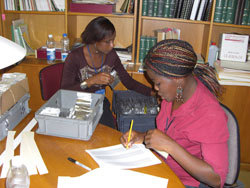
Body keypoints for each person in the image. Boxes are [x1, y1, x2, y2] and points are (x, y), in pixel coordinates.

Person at [120, 39, 229, 188]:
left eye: (158, 83)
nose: (155, 89)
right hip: (162, 169)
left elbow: (216, 179)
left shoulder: (210, 114)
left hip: (185, 183)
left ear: (178, 79)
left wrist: (170, 146)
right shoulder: (177, 93)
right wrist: (142, 137)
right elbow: (172, 130)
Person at [61, 16, 153, 129]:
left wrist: (153, 92)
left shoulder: (111, 55)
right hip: (78, 103)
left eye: (113, 40)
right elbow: (64, 91)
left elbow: (128, 81)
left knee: (108, 134)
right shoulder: (75, 57)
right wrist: (90, 81)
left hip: (99, 102)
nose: (112, 45)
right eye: (107, 41)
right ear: (94, 41)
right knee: (82, 131)